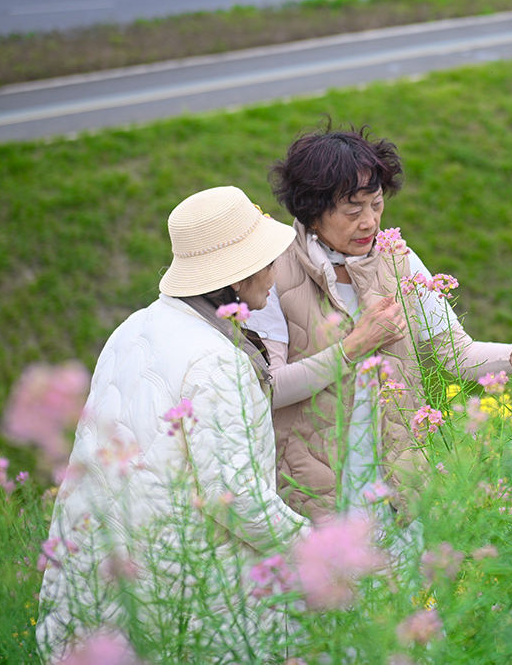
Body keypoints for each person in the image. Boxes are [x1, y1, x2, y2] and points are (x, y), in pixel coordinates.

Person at [37, 186, 311, 663]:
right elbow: (236, 496)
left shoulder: (135, 326)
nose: (274, 271)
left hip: (101, 569)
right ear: (235, 275)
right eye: (265, 261)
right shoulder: (216, 359)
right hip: (178, 585)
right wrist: (317, 548)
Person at [248, 124, 512, 525]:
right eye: (352, 211)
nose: (370, 222)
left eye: (376, 205)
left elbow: (458, 354)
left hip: (393, 482)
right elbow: (269, 389)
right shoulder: (274, 271)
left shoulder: (398, 258)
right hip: (311, 490)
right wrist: (353, 347)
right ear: (312, 213)